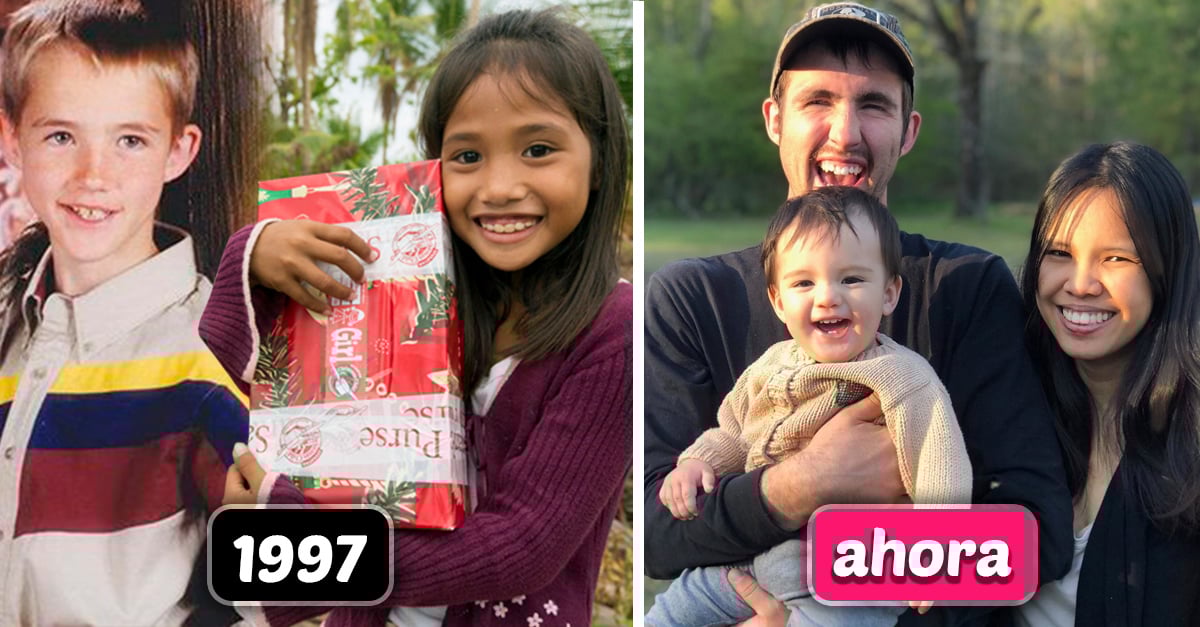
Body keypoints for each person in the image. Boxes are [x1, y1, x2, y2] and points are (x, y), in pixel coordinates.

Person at [199, 9, 632, 627]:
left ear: (599, 160)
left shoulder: (612, 331)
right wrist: (252, 253)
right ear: (434, 169)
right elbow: (283, 390)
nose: (500, 185)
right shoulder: (406, 283)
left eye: (538, 149)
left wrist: (298, 564)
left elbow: (522, 546)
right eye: (467, 156)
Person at [644, 2, 1074, 623]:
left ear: (909, 130)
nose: (845, 133)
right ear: (774, 120)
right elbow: (663, 530)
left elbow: (1037, 530)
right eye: (817, 100)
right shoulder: (692, 298)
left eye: (873, 105)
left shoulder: (968, 288)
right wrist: (801, 484)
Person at [0, 1, 251, 625]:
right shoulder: (8, 324)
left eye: (130, 141)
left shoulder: (214, 352)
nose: (94, 175)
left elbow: (286, 594)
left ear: (178, 151)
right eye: (62, 136)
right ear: (11, 139)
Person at [648, 186, 972, 626]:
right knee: (665, 616)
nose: (827, 297)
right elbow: (733, 431)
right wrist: (695, 463)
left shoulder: (902, 376)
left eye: (852, 279)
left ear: (890, 293)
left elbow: (940, 464)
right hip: (746, 560)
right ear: (779, 301)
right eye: (804, 283)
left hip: (843, 573)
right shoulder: (771, 364)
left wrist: (931, 556)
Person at [1014, 142, 1200, 627]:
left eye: (1115, 259)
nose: (1080, 283)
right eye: (1058, 253)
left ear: (1167, 270)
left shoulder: (1192, 438)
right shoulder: (1010, 410)